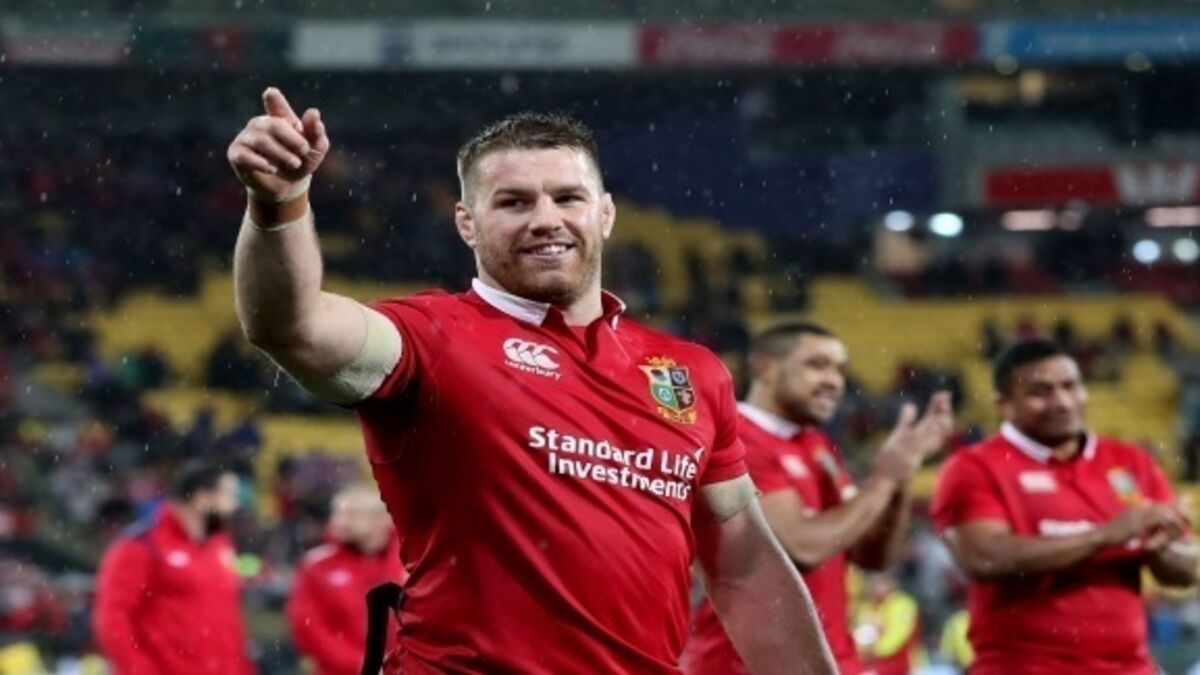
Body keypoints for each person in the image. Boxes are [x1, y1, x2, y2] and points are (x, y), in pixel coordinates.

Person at [227, 88, 835, 674]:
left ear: (605, 213)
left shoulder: (691, 373)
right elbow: (292, 326)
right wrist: (280, 205)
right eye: (514, 203)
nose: (547, 220)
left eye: (568, 198)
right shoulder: (432, 338)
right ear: (467, 223)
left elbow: (745, 564)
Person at [681, 322, 953, 674]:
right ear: (764, 367)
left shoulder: (818, 446)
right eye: (817, 365)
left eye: (840, 370)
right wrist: (883, 479)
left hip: (830, 661)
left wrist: (902, 475)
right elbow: (800, 547)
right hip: (747, 665)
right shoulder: (734, 438)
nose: (834, 381)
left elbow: (873, 555)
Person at [931, 339, 1198, 674]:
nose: (1062, 402)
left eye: (1070, 386)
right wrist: (1105, 535)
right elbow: (984, 558)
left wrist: (1166, 546)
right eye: (1040, 392)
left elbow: (1186, 571)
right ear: (1003, 404)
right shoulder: (974, 467)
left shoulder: (1130, 462)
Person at [93, 460, 253, 674]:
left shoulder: (220, 545)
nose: (234, 507)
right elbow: (113, 618)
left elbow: (227, 618)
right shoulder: (142, 545)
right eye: (228, 496)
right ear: (202, 499)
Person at [287, 484, 405, 675]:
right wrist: (362, 663)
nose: (339, 521)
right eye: (337, 514)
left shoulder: (409, 562)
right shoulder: (316, 566)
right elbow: (309, 629)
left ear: (380, 519)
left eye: (351, 514)